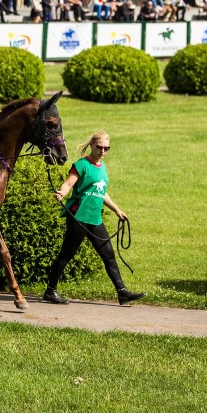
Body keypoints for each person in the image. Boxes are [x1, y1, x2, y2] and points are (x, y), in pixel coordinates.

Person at [43, 131, 144, 306]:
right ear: (91, 145)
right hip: (78, 217)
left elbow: (102, 192)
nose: (103, 151)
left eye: (106, 148)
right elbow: (68, 183)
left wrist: (117, 210)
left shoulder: (102, 168)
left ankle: (122, 293)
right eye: (100, 147)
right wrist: (62, 193)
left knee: (109, 255)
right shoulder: (81, 165)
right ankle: (50, 291)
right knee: (66, 255)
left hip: (95, 219)